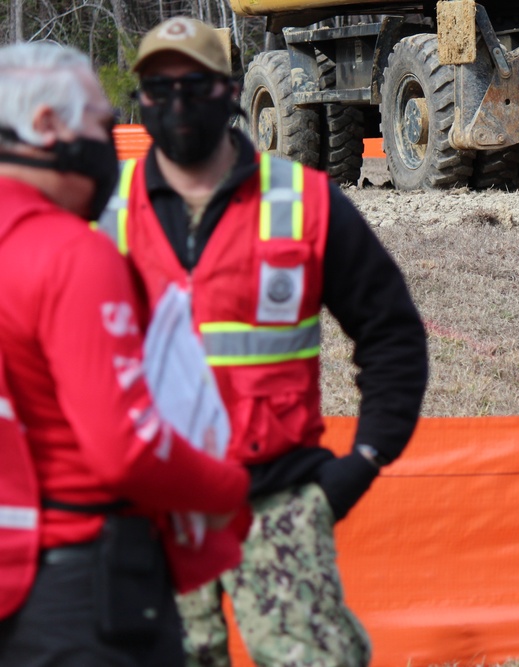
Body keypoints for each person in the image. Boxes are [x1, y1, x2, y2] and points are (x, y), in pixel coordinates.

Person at [96, 17, 429, 667]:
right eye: (157, 90)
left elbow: (390, 336)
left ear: (228, 91)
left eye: (194, 84)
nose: (176, 104)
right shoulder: (106, 213)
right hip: (147, 516)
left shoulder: (305, 202)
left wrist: (360, 463)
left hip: (277, 505)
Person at [0, 42, 251, 666]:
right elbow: (125, 450)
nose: (109, 141)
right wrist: (229, 486)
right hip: (86, 586)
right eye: (98, 122)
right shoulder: (70, 255)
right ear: (46, 124)